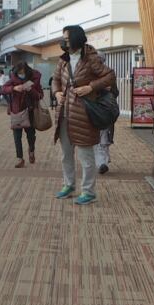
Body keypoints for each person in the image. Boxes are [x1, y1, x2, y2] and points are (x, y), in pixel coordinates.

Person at [53, 25, 116, 205]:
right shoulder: (63, 60)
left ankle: (88, 192)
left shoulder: (91, 58)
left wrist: (90, 87)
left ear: (75, 39)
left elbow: (110, 76)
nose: (63, 41)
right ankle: (69, 185)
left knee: (86, 157)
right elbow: (56, 79)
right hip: (64, 114)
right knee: (66, 155)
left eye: (65, 38)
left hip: (83, 114)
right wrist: (57, 93)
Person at [1, 62, 43, 168]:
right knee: (17, 136)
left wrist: (30, 89)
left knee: (31, 135)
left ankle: (31, 150)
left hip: (30, 111)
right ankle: (20, 158)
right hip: (17, 111)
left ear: (27, 72)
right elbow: (3, 89)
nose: (21, 74)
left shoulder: (34, 80)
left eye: (23, 73)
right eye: (19, 73)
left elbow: (40, 95)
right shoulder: (13, 80)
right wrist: (14, 88)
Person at [94, 52, 119, 175]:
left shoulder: (109, 75)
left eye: (100, 60)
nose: (98, 62)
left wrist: (110, 91)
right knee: (96, 137)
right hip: (93, 110)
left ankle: (102, 162)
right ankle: (101, 162)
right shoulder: (90, 74)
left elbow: (116, 92)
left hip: (106, 110)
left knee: (104, 137)